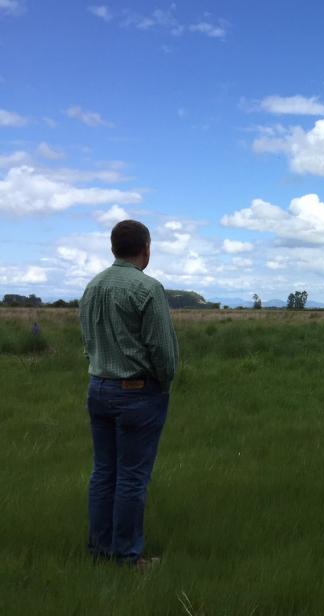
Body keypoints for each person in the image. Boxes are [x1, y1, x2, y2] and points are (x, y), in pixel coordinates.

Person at [79, 220, 178, 567]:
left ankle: (100, 550)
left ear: (113, 247)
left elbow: (88, 341)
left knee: (104, 471)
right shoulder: (147, 288)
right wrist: (163, 383)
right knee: (132, 476)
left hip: (98, 386)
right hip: (136, 392)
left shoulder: (92, 287)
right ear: (146, 248)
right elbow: (163, 352)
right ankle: (126, 557)